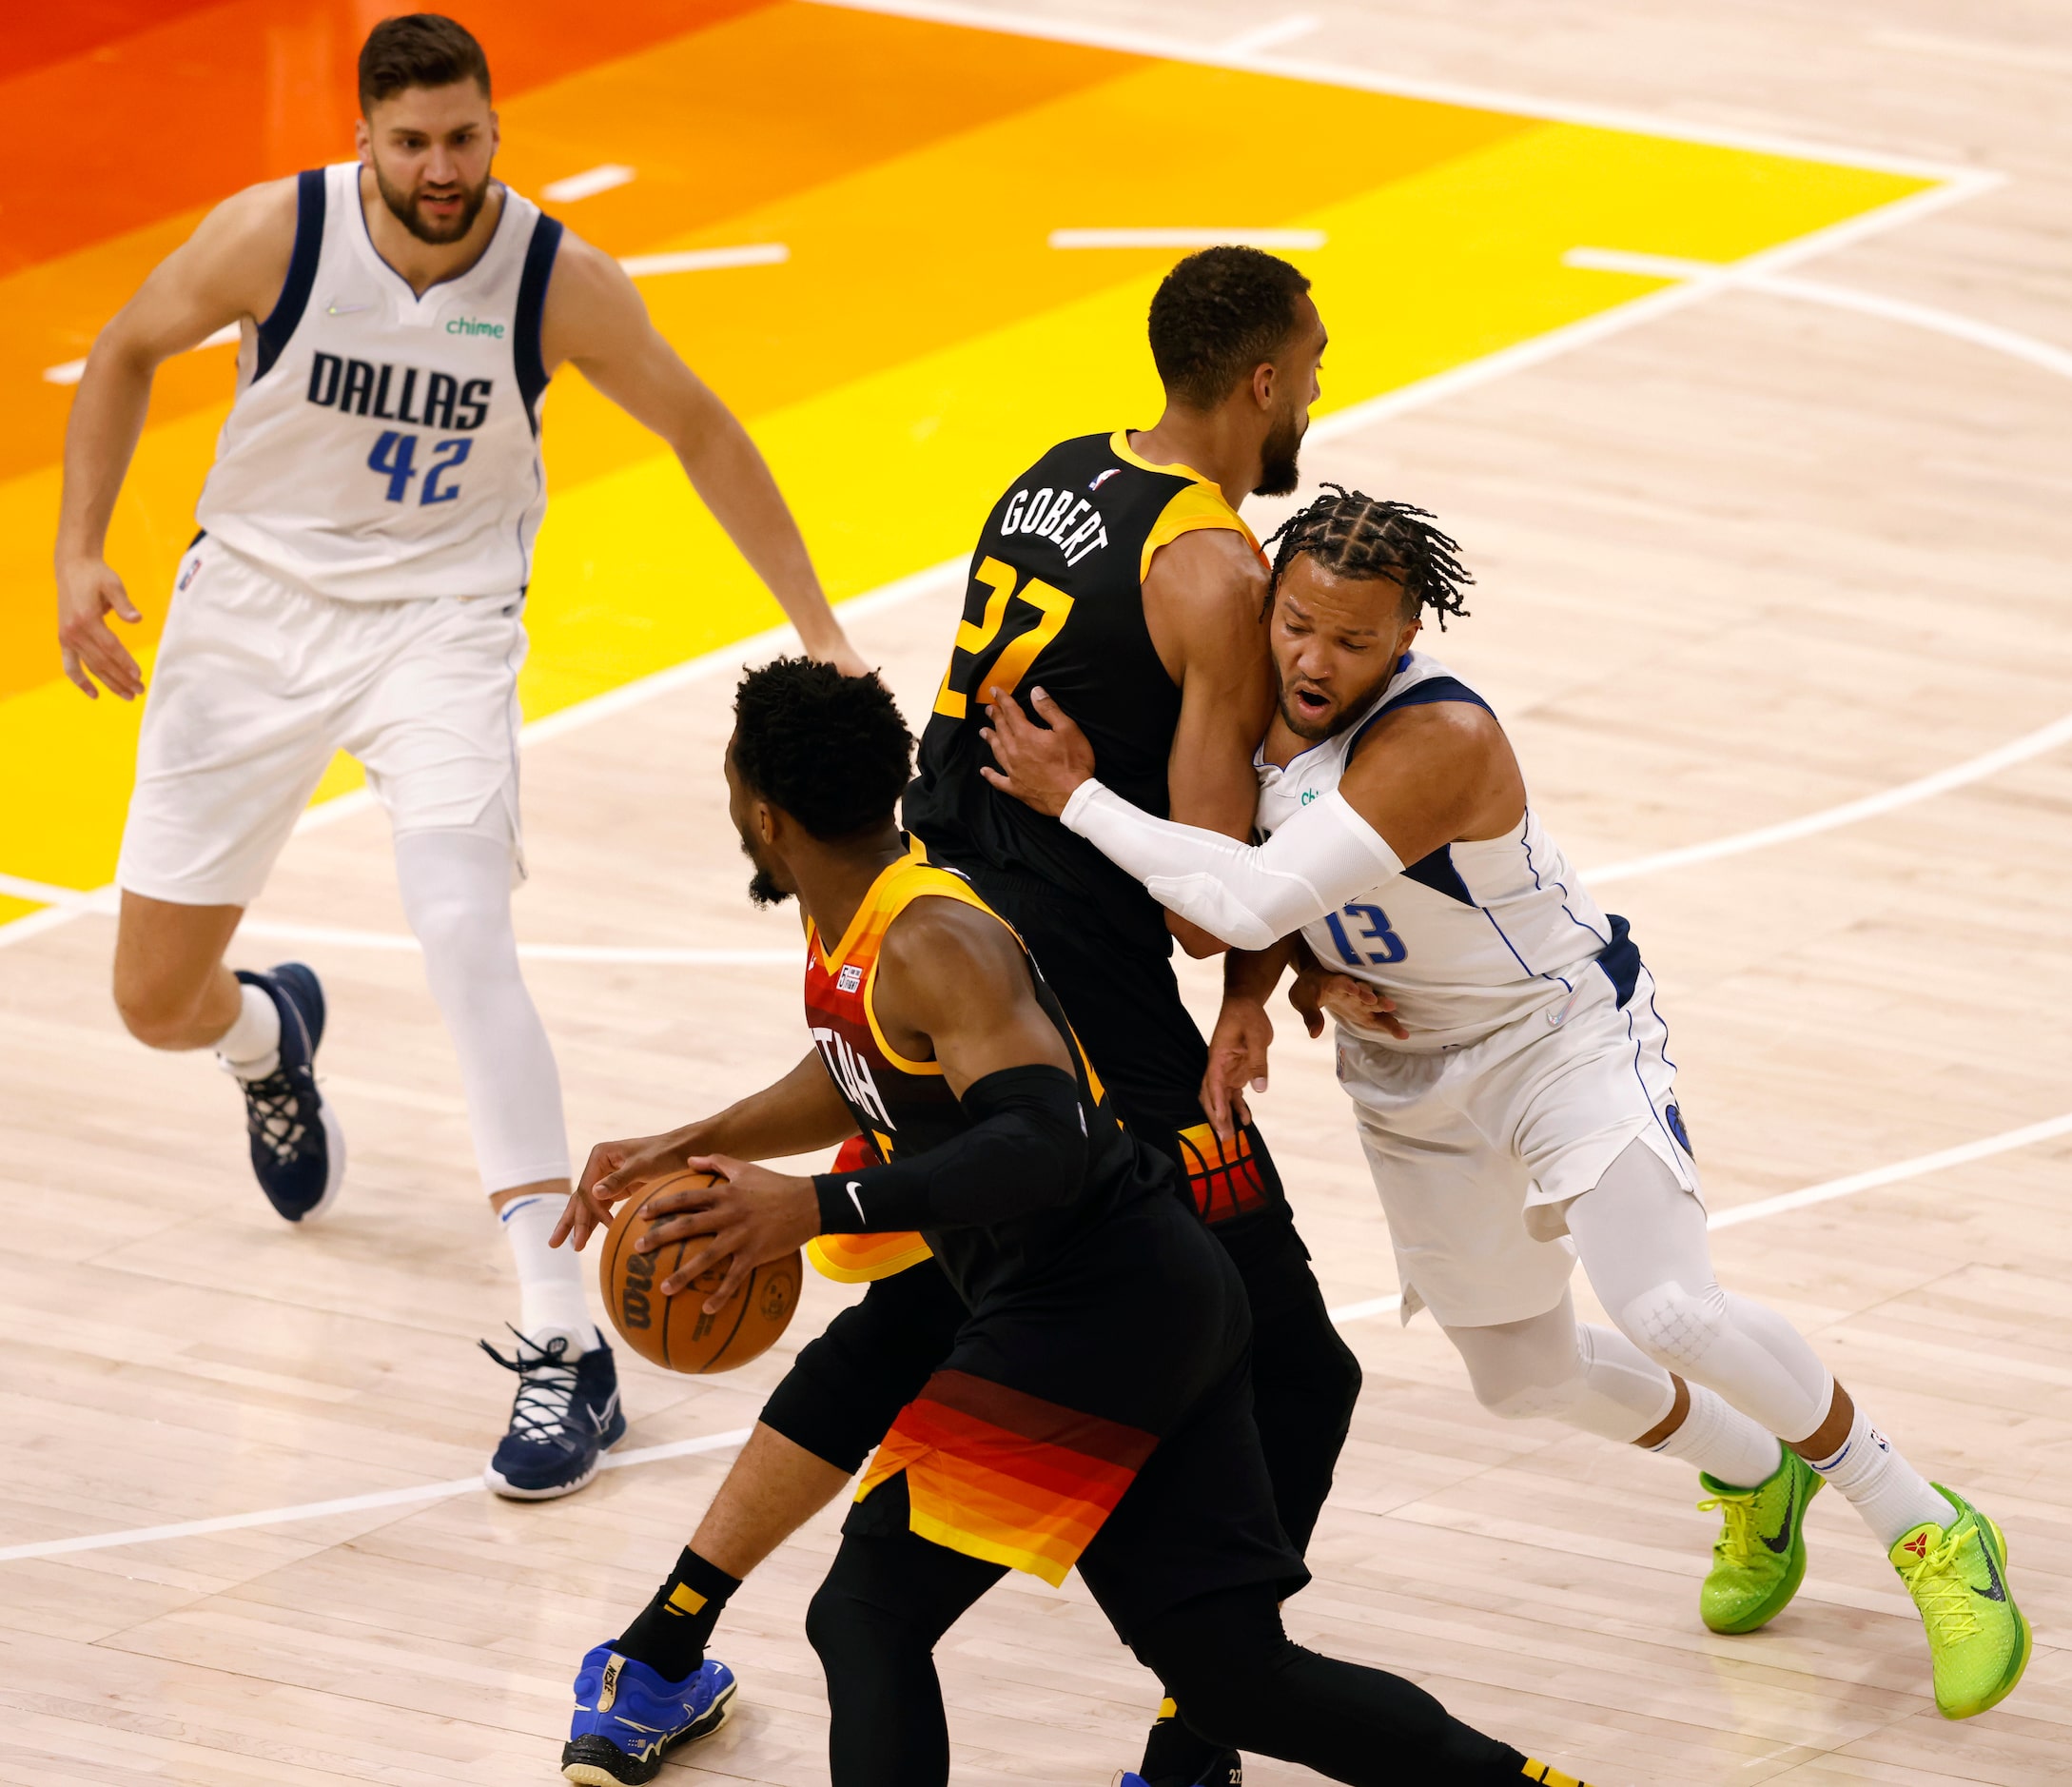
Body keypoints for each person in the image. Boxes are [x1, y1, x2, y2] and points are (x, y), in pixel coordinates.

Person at [981, 485, 2031, 1723]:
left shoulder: (1440, 739)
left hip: (1556, 1035)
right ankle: (1754, 1477)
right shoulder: (1251, 695)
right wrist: (1269, 989)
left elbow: (1253, 892)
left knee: (1667, 1307)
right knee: (1521, 1374)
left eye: (1353, 640)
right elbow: (1254, 905)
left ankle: (1925, 1526)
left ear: (1409, 635)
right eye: (1299, 624)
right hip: (1405, 1067)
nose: (1316, 660)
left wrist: (1079, 801)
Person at [552, 245, 1364, 1786]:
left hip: (924, 940)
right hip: (1085, 1027)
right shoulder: (1214, 573)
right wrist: (1303, 876)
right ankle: (1200, 1733)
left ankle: (657, 1645)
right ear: (1258, 380)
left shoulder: (1051, 477)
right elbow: (1200, 897)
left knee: (924, 1311)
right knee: (1296, 1367)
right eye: (1309, 361)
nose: (1319, 384)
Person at [50, 12, 863, 1501]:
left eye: (466, 137)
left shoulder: (553, 274)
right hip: (251, 617)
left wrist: (817, 624)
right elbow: (121, 352)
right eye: (413, 141)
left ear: (499, 128)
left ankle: (564, 1341)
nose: (443, 167)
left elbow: (698, 425)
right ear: (363, 136)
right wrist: (76, 554)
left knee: (462, 932)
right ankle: (263, 1037)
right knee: (151, 1000)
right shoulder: (275, 235)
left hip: (441, 622)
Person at [555, 657, 1598, 1787]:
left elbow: (1042, 1141)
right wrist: (688, 1140)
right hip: (1155, 1302)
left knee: (866, 1615)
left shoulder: (934, 938)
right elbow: (867, 1069)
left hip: (1087, 1315)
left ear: (760, 814)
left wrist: (811, 1206)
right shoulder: (855, 921)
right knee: (1233, 1676)